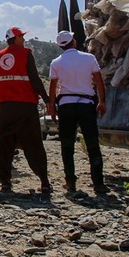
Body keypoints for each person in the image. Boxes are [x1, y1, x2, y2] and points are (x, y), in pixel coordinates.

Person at [0, 27, 51, 194]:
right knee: (33, 144)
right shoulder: (25, 54)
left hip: (5, 108)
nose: (23, 39)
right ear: (15, 38)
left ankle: (5, 183)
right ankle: (44, 182)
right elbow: (35, 78)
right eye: (21, 36)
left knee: (5, 145)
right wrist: (47, 100)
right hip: (25, 106)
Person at [47, 31, 109, 194]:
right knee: (92, 144)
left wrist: (51, 107)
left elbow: (53, 86)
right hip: (86, 104)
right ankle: (98, 183)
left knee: (67, 145)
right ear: (73, 42)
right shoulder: (89, 58)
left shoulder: (56, 62)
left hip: (66, 104)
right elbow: (99, 81)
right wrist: (102, 101)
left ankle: (70, 182)